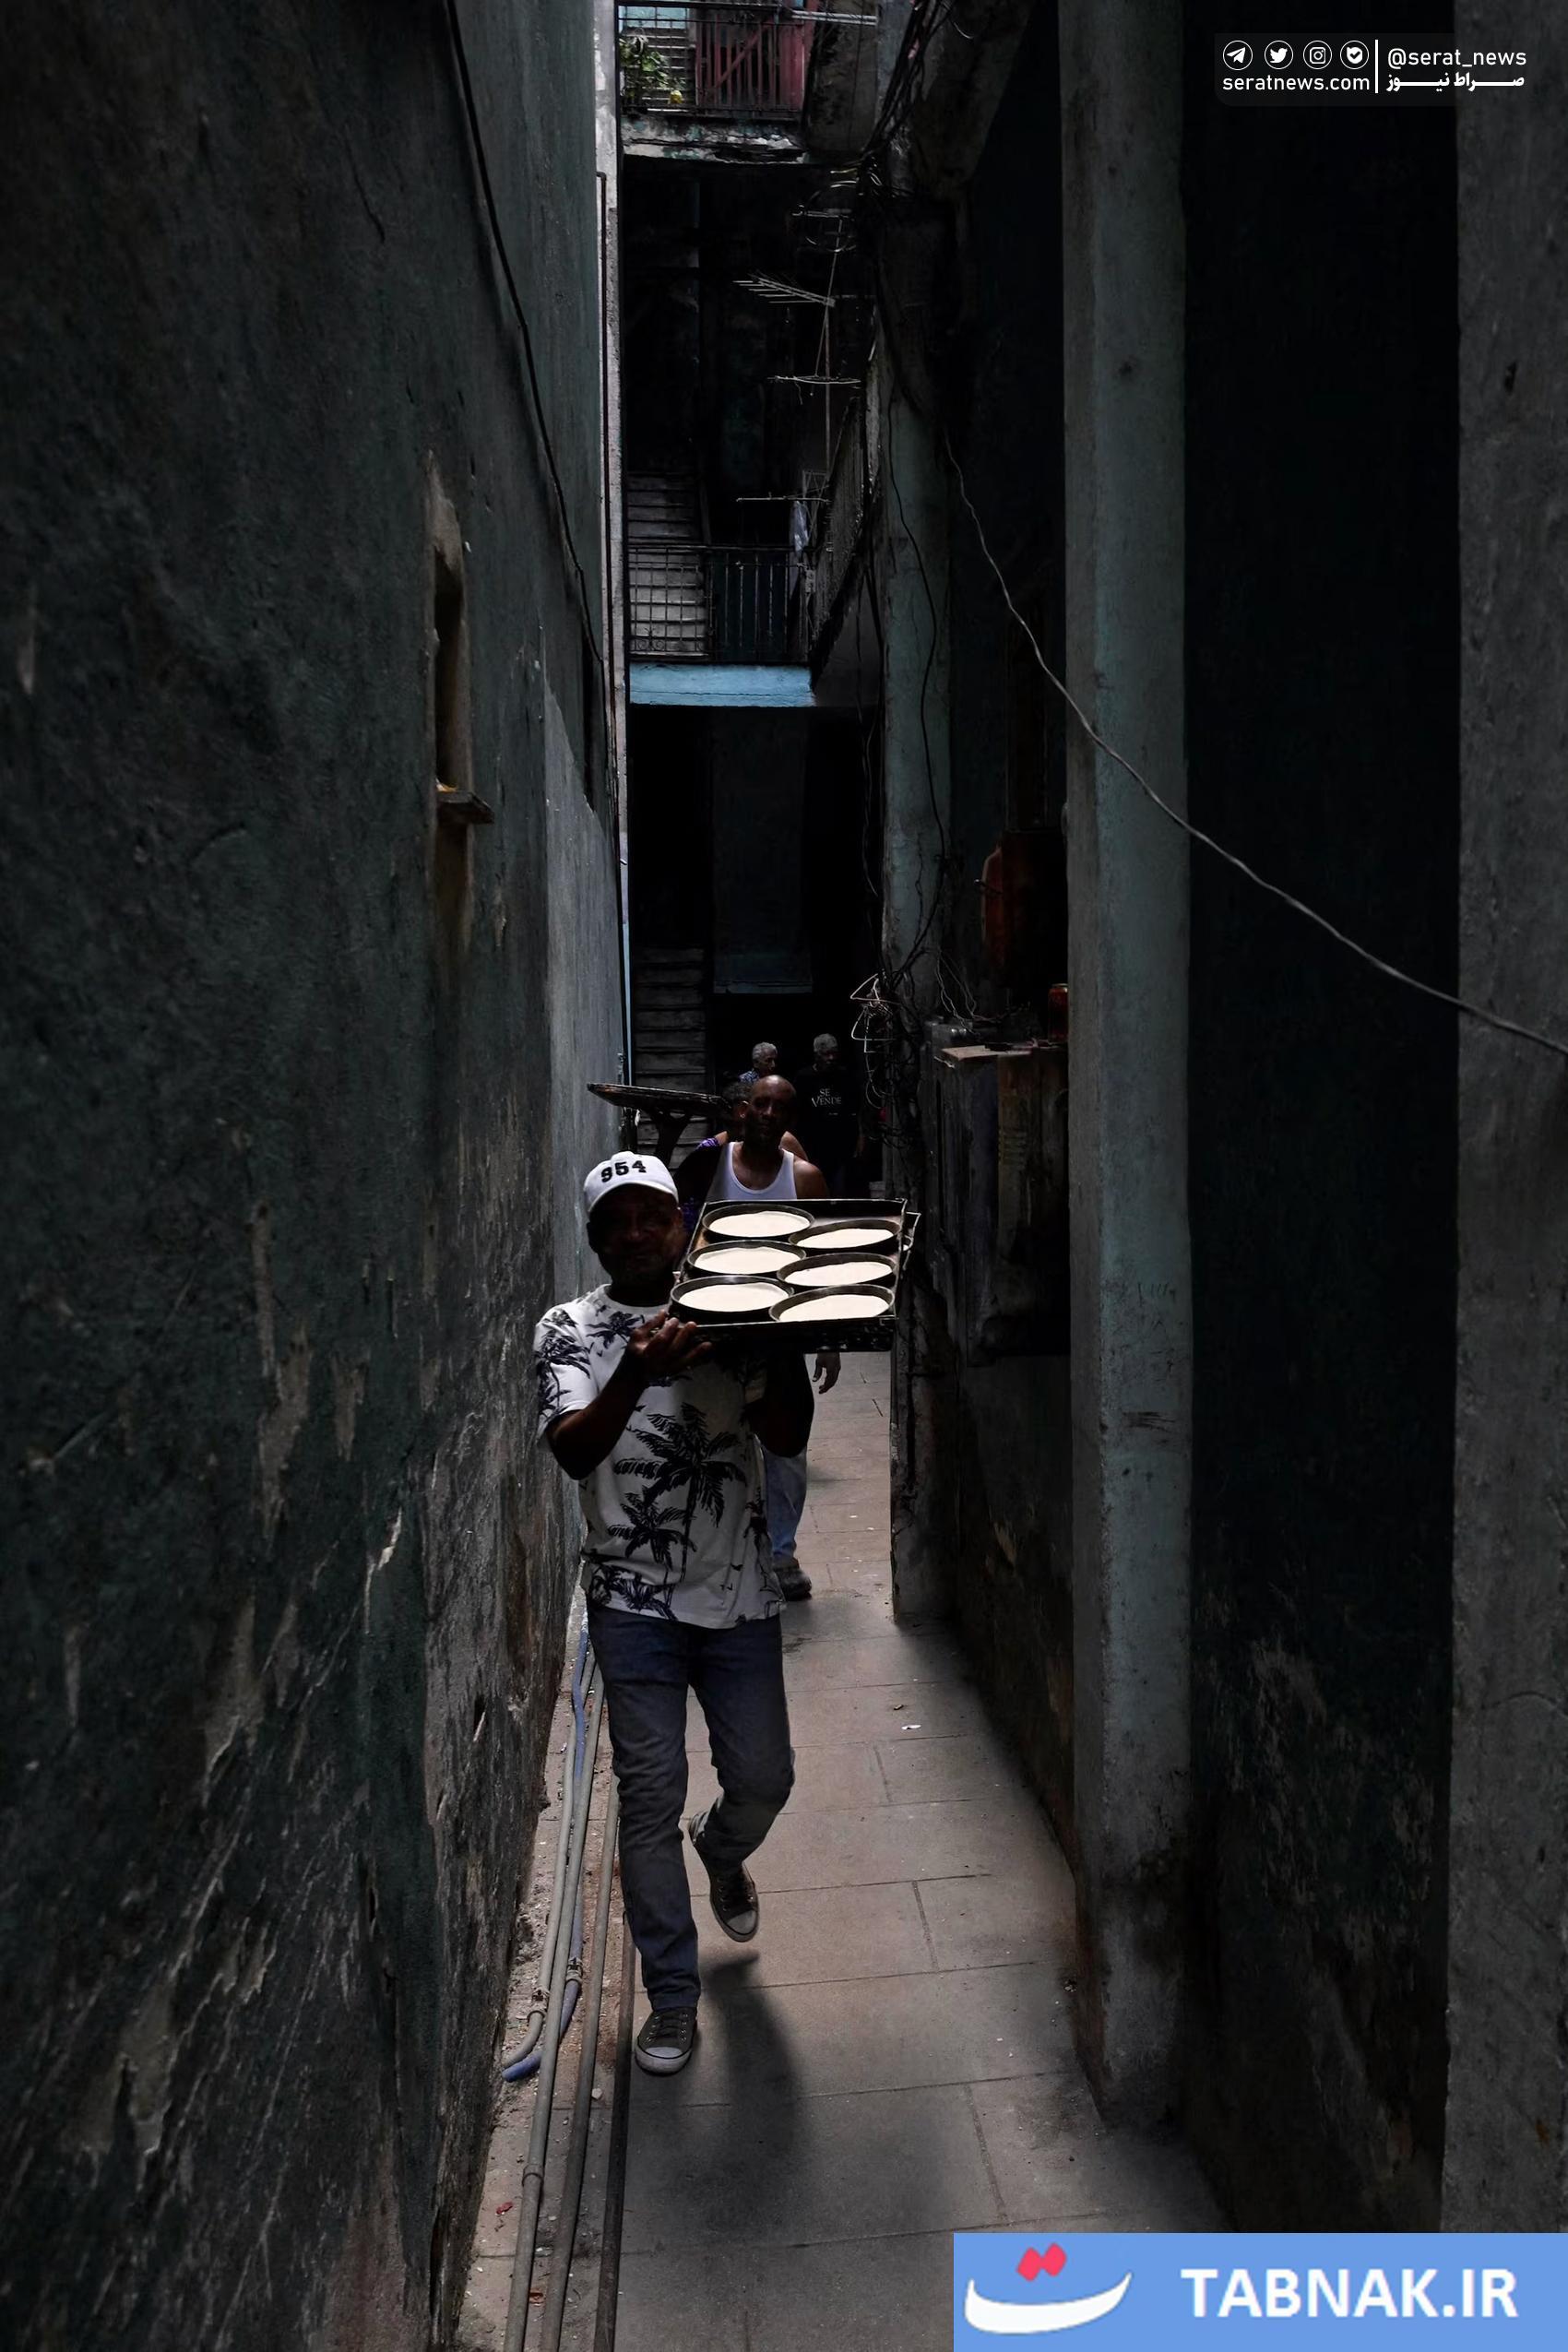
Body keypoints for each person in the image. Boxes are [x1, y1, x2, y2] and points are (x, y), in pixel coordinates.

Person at [534, 1151, 814, 2078]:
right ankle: (672, 1996)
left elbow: (785, 1435)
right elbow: (574, 1452)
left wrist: (778, 1339)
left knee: (763, 1778)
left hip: (736, 1590)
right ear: (594, 1238)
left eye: (652, 1215)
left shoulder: (731, 1311)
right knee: (647, 1798)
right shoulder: (568, 1329)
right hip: (630, 1603)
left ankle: (723, 1850)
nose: (635, 1233)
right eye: (616, 1221)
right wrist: (634, 1369)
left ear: (682, 1224)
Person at [678, 1078, 839, 1601]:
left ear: (790, 1119)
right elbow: (680, 1229)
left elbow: (823, 1259)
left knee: (787, 1443)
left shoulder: (804, 1178)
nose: (768, 1114)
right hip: (718, 1327)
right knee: (715, 1437)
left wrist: (829, 1340)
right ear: (743, 1110)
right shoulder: (712, 1165)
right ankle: (718, 1549)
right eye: (761, 1104)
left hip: (780, 1329)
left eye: (780, 1108)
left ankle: (781, 1554)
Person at [790, 1032, 866, 1194]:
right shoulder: (804, 1078)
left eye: (834, 1053)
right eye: (826, 1054)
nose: (831, 1058)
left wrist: (860, 1137)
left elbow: (856, 1108)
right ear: (816, 1055)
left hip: (840, 1144)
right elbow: (795, 1113)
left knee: (840, 1190)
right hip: (813, 1145)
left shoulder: (845, 1077)